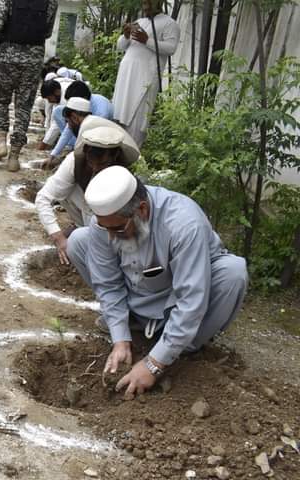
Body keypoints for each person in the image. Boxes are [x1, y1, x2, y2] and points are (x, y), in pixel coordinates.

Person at [66, 166, 248, 397]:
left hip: (178, 299)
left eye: (118, 229)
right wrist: (120, 339)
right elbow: (108, 284)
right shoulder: (106, 222)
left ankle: (184, 347)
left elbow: (191, 299)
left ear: (142, 210)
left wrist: (154, 364)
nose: (111, 236)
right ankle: (133, 325)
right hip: (140, 296)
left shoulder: (184, 225)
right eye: (106, 228)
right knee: (79, 241)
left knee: (233, 271)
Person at [35, 117, 138, 264]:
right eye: (91, 162)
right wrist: (58, 237)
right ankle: (82, 229)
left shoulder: (125, 173)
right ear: (85, 151)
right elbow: (43, 198)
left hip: (114, 227)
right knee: (64, 189)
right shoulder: (74, 161)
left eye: (102, 163)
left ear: (114, 156)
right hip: (88, 217)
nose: (95, 169)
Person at [0, 0, 59, 171]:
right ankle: (14, 156)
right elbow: (47, 31)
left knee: (1, 100)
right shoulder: (51, 1)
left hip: (8, 55)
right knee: (24, 106)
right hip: (34, 58)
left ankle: (1, 141)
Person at [112, 0, 179, 147]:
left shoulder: (169, 23)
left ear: (158, 3)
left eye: (148, 5)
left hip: (145, 78)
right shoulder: (140, 21)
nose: (145, 8)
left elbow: (171, 48)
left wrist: (147, 40)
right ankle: (114, 152)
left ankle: (132, 154)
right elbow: (120, 46)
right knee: (118, 114)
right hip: (126, 77)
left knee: (137, 117)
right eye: (144, 4)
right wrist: (125, 35)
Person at [43, 83, 115, 170]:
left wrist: (70, 160)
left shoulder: (101, 111)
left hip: (104, 137)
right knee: (58, 111)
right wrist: (53, 155)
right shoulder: (80, 111)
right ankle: (72, 147)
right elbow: (67, 130)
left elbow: (94, 139)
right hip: (87, 133)